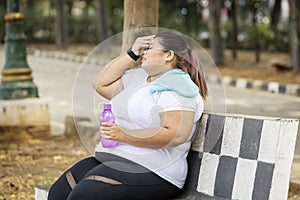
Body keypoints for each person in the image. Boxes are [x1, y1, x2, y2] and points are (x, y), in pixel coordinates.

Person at [48, 31, 208, 200]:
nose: (143, 52)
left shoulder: (177, 85)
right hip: (116, 158)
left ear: (168, 55)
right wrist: (132, 52)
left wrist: (124, 135)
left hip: (155, 170)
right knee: (58, 193)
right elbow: (100, 83)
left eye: (149, 48)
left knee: (82, 197)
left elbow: (175, 134)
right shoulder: (139, 77)